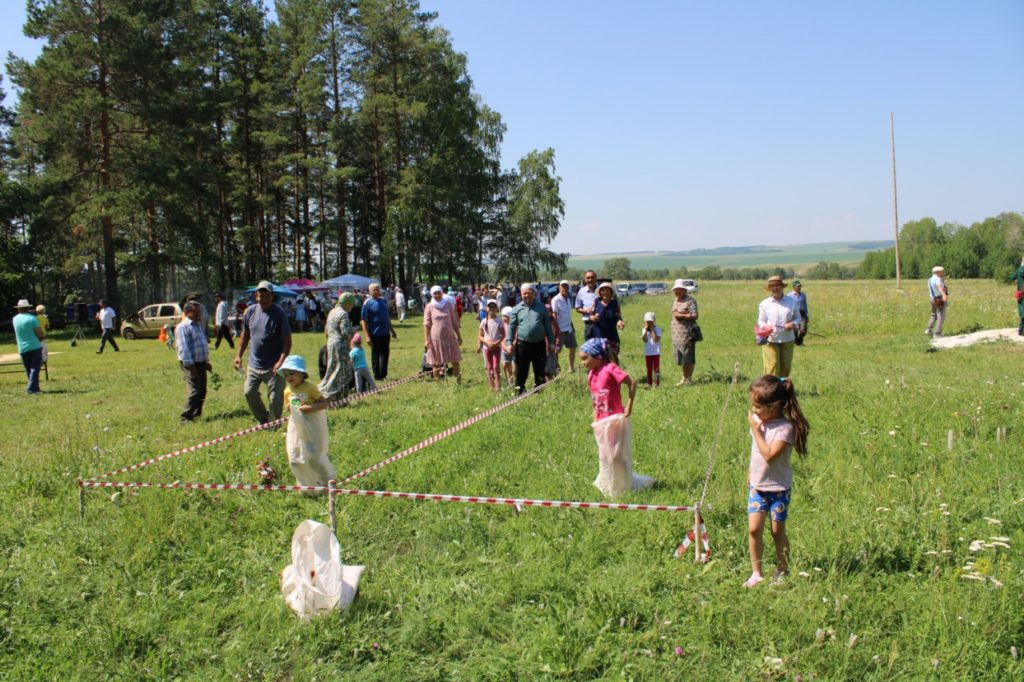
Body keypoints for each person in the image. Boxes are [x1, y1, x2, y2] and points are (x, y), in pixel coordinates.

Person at [744, 375, 810, 588]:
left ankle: (782, 569)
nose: (754, 411)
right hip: (757, 486)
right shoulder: (760, 423)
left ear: (774, 407)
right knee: (754, 529)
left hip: (778, 489)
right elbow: (755, 451)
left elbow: (769, 455)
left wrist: (756, 430)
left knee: (776, 531)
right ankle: (757, 573)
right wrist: (750, 473)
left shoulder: (785, 429)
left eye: (757, 406)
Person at [579, 337, 653, 497]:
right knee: (605, 454)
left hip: (616, 419)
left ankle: (623, 485)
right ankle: (609, 482)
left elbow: (632, 383)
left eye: (585, 358)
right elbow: (594, 398)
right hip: (601, 421)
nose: (583, 363)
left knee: (617, 455)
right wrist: (595, 417)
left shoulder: (610, 368)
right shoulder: (591, 374)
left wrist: (629, 406)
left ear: (598, 356)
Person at [233, 280, 292, 424]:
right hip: (254, 363)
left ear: (272, 296)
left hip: (274, 365)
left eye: (267, 296)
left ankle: (274, 423)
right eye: (261, 296)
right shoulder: (250, 311)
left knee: (275, 398)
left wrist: (281, 361)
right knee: (249, 392)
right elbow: (245, 335)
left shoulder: (279, 314)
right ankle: (264, 420)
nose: (264, 299)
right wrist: (238, 355)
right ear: (256, 296)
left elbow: (287, 341)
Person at [279, 354, 334, 487]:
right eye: (286, 375)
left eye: (292, 373)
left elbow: (324, 404)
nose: (288, 377)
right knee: (295, 455)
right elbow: (288, 407)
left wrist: (310, 408)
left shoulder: (310, 388)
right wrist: (289, 407)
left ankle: (327, 481)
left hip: (313, 424)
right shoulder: (287, 391)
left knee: (313, 455)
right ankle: (306, 484)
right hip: (296, 426)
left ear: (302, 374)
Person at [507, 283, 555, 394]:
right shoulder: (516, 309)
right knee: (521, 370)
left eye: (529, 293)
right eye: (524, 294)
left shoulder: (542, 308)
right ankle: (520, 392)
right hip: (523, 345)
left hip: (539, 344)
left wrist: (551, 342)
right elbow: (511, 327)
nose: (527, 296)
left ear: (534, 294)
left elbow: (548, 326)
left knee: (539, 369)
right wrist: (509, 343)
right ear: (521, 294)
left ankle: (538, 392)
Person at [757, 275, 801, 378]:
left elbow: (798, 318)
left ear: (782, 287)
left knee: (785, 368)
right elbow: (761, 321)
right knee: (772, 367)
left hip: (787, 338)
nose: (775, 288)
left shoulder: (791, 302)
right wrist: (767, 327)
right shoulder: (765, 304)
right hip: (770, 339)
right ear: (769, 288)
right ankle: (770, 391)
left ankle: (782, 390)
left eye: (777, 285)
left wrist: (792, 324)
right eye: (772, 286)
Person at [175, 301, 212, 423]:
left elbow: (201, 344)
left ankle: (196, 414)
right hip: (191, 364)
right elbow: (183, 348)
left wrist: (206, 362)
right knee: (195, 391)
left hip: (200, 363)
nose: (199, 315)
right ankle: (186, 417)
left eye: (199, 312)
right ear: (186, 312)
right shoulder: (182, 327)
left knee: (202, 391)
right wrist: (191, 366)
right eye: (196, 312)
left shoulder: (198, 325)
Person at [319, 292, 356, 400]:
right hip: (341, 345)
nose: (352, 307)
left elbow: (326, 330)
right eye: (352, 304)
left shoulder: (332, 311)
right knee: (342, 371)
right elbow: (346, 332)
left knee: (331, 368)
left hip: (330, 343)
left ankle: (324, 389)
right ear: (347, 303)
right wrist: (353, 331)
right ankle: (333, 395)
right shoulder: (343, 314)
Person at [423, 285, 463, 381]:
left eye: (438, 293)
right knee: (436, 363)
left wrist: (459, 336)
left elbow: (454, 321)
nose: (437, 295)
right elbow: (426, 324)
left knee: (455, 361)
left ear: (442, 293)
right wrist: (426, 340)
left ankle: (459, 381)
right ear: (432, 295)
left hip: (450, 337)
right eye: (435, 293)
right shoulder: (429, 307)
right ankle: (438, 384)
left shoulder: (448, 304)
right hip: (436, 338)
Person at [360, 283, 398, 381]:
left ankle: (384, 375)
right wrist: (367, 336)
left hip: (385, 333)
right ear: (369, 291)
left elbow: (387, 317)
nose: (376, 291)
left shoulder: (383, 301)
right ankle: (377, 376)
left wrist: (392, 330)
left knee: (385, 354)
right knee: (376, 354)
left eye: (377, 289)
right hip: (374, 334)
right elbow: (363, 321)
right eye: (374, 290)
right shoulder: (367, 303)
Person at [670, 279, 699, 386]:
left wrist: (681, 315)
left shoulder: (690, 300)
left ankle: (688, 379)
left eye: (679, 289)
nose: (677, 292)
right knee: (681, 357)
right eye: (675, 290)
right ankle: (684, 378)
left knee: (688, 356)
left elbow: (695, 315)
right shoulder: (676, 300)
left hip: (687, 333)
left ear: (684, 290)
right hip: (677, 335)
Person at [13, 299, 45, 394]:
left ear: (19, 309)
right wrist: (42, 338)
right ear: (28, 308)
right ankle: (31, 389)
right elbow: (39, 333)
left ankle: (35, 388)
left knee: (29, 369)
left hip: (22, 347)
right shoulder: (32, 318)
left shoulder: (15, 319)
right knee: (35, 368)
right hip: (34, 346)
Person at [590, 282, 624, 365]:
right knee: (600, 358)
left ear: (611, 292)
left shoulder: (614, 303)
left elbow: (618, 317)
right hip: (598, 334)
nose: (605, 292)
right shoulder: (596, 301)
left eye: (607, 290)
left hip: (612, 335)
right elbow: (590, 315)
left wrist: (619, 322)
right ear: (600, 292)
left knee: (613, 359)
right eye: (603, 290)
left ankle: (614, 376)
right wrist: (593, 318)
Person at [551, 280, 577, 373]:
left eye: (566, 287)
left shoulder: (569, 299)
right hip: (560, 330)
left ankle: (571, 367)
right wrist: (556, 332)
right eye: (562, 287)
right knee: (556, 351)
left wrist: (572, 327)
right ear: (559, 288)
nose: (564, 289)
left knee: (573, 347)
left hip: (569, 329)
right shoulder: (555, 300)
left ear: (568, 288)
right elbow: (554, 317)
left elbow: (569, 315)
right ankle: (555, 369)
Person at [478, 300, 504, 391]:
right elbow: (480, 335)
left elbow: (503, 335)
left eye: (494, 307)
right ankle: (491, 385)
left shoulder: (499, 320)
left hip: (497, 347)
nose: (491, 309)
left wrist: (496, 343)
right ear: (486, 308)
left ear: (496, 309)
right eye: (490, 307)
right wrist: (486, 343)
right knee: (489, 367)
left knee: (496, 366)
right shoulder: (483, 321)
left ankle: (498, 386)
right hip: (486, 347)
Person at [574, 270, 599, 340]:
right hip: (588, 324)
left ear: (595, 278)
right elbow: (577, 308)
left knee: (602, 347)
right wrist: (586, 311)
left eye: (592, 277)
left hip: (601, 323)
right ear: (585, 279)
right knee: (588, 347)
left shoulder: (601, 290)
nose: (590, 280)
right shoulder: (581, 292)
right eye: (588, 278)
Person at [925, 265, 948, 338]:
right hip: (939, 299)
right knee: (941, 316)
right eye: (942, 272)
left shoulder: (929, 279)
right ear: (937, 272)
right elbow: (939, 287)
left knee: (934, 315)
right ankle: (937, 333)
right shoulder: (938, 279)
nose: (943, 273)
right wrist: (944, 295)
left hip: (932, 298)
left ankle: (928, 330)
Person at [640, 312, 662, 388]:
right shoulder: (644, 329)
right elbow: (645, 340)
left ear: (654, 321)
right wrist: (646, 331)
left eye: (650, 321)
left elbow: (656, 339)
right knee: (649, 369)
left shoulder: (657, 329)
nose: (649, 323)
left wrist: (652, 329)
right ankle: (649, 383)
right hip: (648, 353)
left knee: (656, 369)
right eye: (647, 321)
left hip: (656, 352)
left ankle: (657, 383)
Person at [787, 281, 809, 346]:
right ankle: (798, 342)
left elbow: (805, 305)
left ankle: (800, 339)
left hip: (802, 313)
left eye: (800, 286)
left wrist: (807, 315)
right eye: (797, 286)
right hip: (794, 314)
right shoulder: (789, 295)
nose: (799, 287)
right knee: (795, 330)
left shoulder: (803, 294)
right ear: (794, 287)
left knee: (803, 329)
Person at [500, 306, 515, 388]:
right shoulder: (502, 325)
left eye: (505, 316)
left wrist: (512, 345)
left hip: (513, 349)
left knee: (514, 367)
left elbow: (516, 337)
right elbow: (501, 337)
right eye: (502, 316)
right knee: (505, 364)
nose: (503, 318)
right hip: (504, 349)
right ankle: (509, 381)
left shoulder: (514, 325)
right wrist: (504, 346)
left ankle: (515, 380)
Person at [1009, 258, 1024, 336]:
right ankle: (1021, 331)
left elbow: (1010, 278)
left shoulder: (1019, 270)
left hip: (1021, 295)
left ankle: (1021, 331)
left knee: (1022, 313)